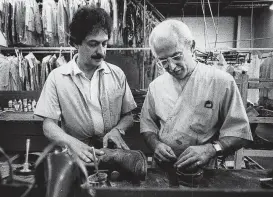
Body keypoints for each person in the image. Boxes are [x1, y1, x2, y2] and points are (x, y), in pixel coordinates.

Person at [141, 19, 253, 171]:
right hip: (163, 169)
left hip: (203, 171)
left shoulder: (221, 82)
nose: (172, 67)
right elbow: (147, 126)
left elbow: (240, 132)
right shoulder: (156, 86)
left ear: (192, 46)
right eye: (163, 61)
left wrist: (212, 149)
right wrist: (156, 145)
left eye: (176, 56)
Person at [35, 6, 137, 164]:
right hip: (77, 159)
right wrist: (72, 143)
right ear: (76, 43)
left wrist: (117, 130)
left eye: (104, 44)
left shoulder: (117, 74)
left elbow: (128, 116)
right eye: (93, 44)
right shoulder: (57, 78)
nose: (101, 51)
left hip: (112, 156)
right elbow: (48, 125)